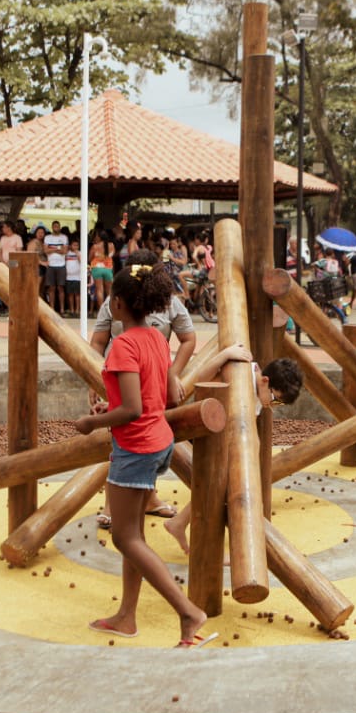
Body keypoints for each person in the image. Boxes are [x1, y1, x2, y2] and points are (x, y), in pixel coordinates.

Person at [74, 263, 215, 648]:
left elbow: (133, 409)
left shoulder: (122, 345)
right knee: (133, 534)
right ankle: (126, 616)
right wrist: (112, 407)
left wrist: (92, 421)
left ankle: (188, 612)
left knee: (124, 538)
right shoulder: (155, 337)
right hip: (158, 441)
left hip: (135, 445)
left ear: (117, 303)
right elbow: (162, 397)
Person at [157, 345, 304, 552]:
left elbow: (249, 424)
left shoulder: (259, 393)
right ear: (265, 381)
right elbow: (204, 377)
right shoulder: (242, 373)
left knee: (221, 488)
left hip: (224, 438)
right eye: (275, 399)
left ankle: (179, 523)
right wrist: (225, 354)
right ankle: (191, 533)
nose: (274, 405)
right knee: (219, 488)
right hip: (207, 429)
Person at [90, 249, 197, 523]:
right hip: (123, 379)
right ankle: (117, 505)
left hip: (146, 387)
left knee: (127, 536)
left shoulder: (141, 334)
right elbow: (98, 342)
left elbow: (133, 410)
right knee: (125, 447)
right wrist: (93, 379)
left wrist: (171, 374)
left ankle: (132, 505)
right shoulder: (146, 337)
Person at [43, 220, 69, 313]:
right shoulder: (47, 237)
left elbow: (64, 251)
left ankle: (61, 309)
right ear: (52, 227)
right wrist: (58, 248)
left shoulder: (64, 237)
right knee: (51, 288)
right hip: (50, 265)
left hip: (61, 265)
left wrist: (52, 248)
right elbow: (45, 250)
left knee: (61, 288)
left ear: (60, 227)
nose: (56, 228)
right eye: (54, 226)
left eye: (57, 226)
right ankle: (52, 308)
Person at [89, 235, 115, 311]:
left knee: (99, 289)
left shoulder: (95, 246)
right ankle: (110, 310)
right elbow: (112, 255)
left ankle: (101, 310)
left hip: (97, 268)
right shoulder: (112, 245)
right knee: (109, 290)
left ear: (99, 237)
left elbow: (90, 258)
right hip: (108, 269)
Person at [65, 237, 83, 316]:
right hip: (68, 277)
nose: (75, 247)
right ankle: (72, 310)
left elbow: (82, 262)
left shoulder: (80, 253)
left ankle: (77, 310)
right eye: (74, 245)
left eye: (77, 245)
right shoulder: (67, 253)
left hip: (78, 277)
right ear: (70, 246)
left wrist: (77, 254)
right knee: (70, 294)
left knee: (77, 294)